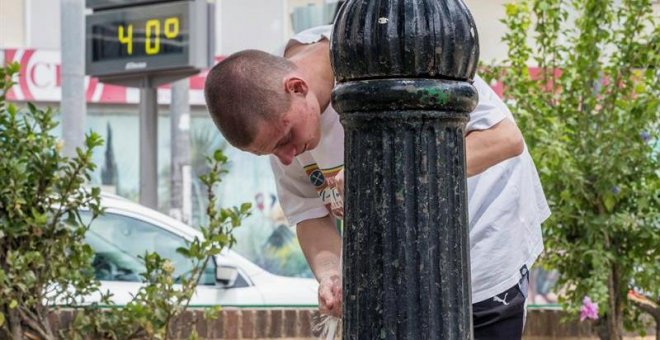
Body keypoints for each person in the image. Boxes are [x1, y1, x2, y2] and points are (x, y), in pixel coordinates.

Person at [204, 25, 550, 339]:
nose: (286, 157)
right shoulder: (279, 118)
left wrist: (384, 175)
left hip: (483, 249)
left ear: (297, 88)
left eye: (284, 141)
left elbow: (504, 139)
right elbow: (309, 213)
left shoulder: (389, 45)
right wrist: (331, 274)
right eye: (270, 153)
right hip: (396, 276)